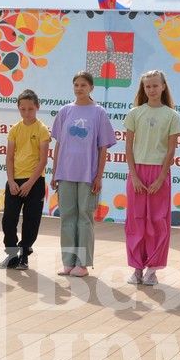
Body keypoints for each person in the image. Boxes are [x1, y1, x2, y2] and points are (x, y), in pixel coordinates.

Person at [50, 71, 117, 277]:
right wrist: (54, 172)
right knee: (67, 217)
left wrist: (99, 176)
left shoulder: (98, 113)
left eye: (83, 85)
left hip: (88, 175)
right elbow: (59, 144)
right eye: (76, 85)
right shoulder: (65, 111)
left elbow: (103, 147)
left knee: (84, 218)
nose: (79, 88)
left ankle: (83, 263)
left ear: (91, 88)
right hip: (65, 173)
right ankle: (68, 262)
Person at [123, 70, 180, 286]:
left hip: (160, 173)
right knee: (136, 221)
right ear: (143, 88)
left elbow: (170, 151)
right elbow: (128, 147)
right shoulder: (134, 113)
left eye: (155, 85)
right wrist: (134, 176)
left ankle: (152, 270)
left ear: (163, 86)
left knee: (157, 222)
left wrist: (160, 179)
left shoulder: (172, 116)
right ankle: (137, 268)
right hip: (137, 172)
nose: (152, 90)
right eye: (148, 86)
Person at [0, 89, 50, 270]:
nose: (26, 112)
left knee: (31, 220)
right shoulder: (14, 130)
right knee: (8, 219)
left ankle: (24, 255)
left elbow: (43, 160)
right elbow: (9, 157)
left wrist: (30, 183)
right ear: (18, 109)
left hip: (34, 183)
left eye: (30, 109)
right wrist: (11, 181)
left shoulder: (42, 130)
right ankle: (11, 255)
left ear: (37, 107)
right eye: (23, 109)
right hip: (15, 181)